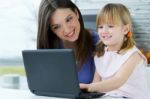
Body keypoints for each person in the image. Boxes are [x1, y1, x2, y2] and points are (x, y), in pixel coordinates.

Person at [80, 3, 150, 99]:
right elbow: (96, 82)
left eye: (110, 26)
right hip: (109, 96)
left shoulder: (133, 55)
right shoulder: (100, 53)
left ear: (125, 29)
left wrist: (89, 87)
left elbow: (118, 81)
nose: (104, 31)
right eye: (100, 27)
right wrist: (85, 91)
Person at [37, 0, 99, 84]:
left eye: (68, 19)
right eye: (57, 27)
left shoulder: (100, 42)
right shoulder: (49, 47)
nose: (66, 30)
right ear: (50, 30)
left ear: (76, 13)